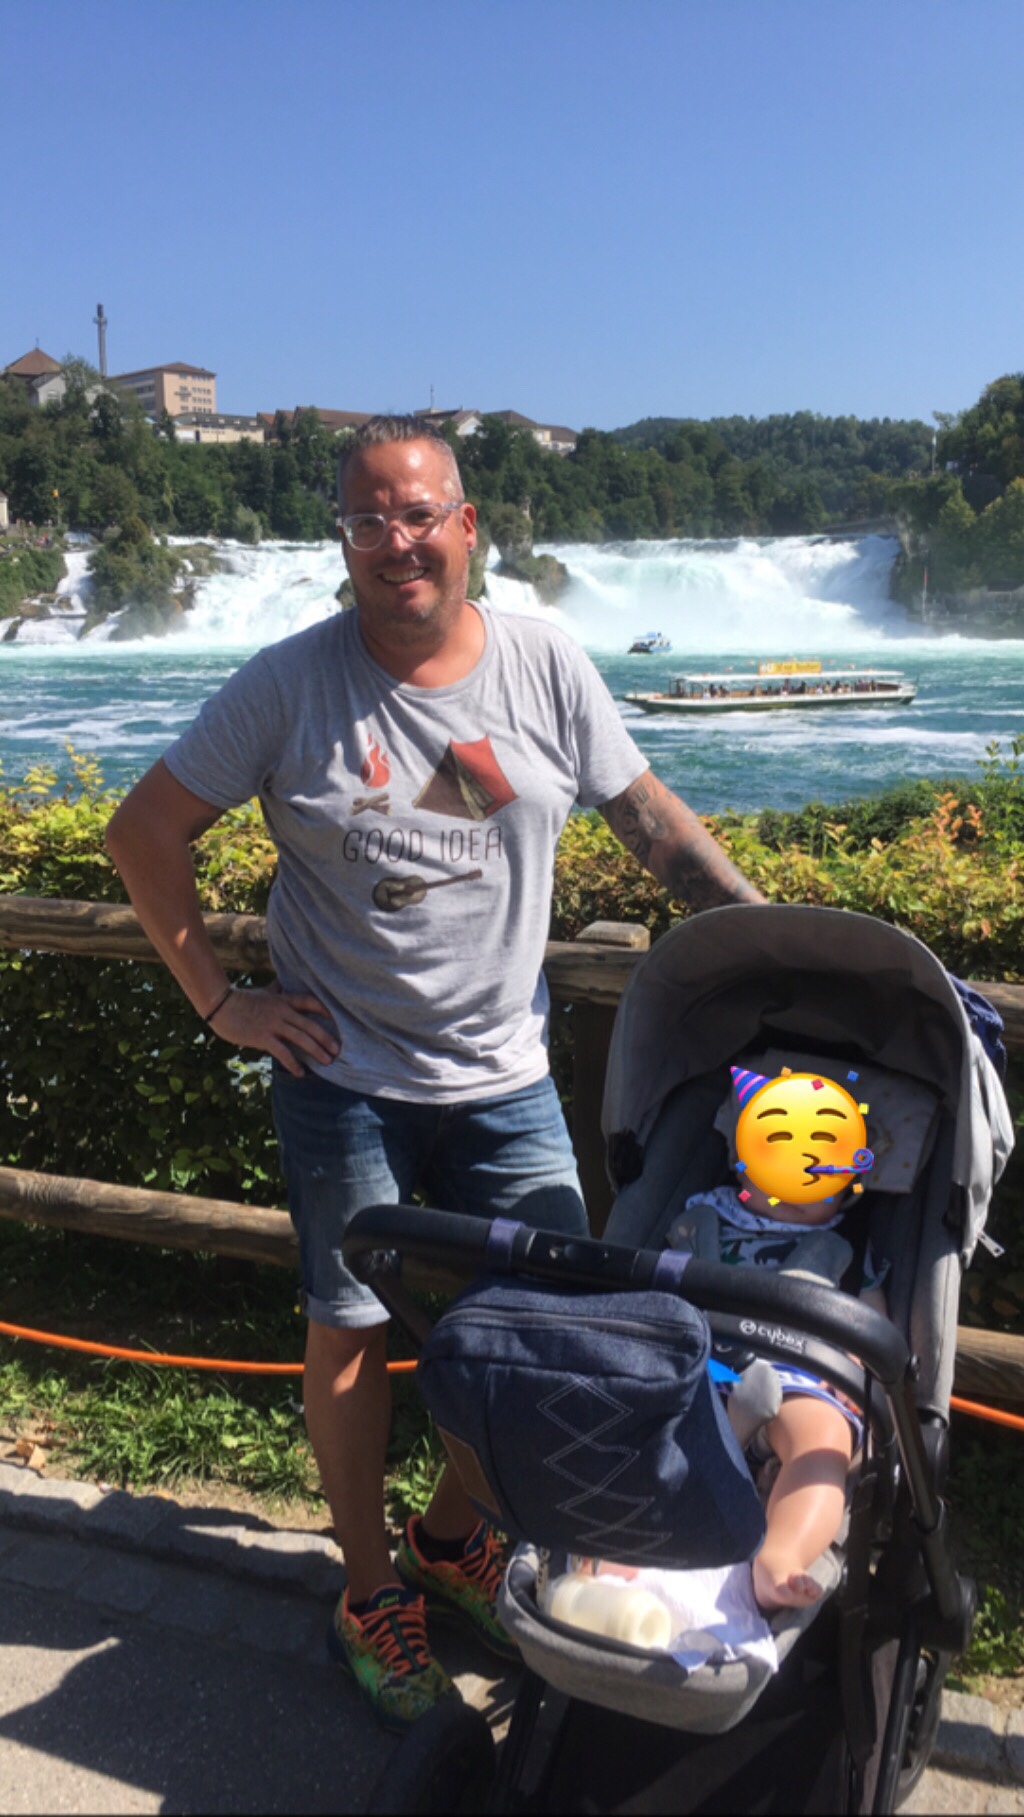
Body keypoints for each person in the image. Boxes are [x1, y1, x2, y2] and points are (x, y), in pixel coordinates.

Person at [105, 415, 763, 1730]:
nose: (394, 540)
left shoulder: (543, 661)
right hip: (341, 1073)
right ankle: (368, 1591)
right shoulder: (289, 684)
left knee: (551, 1332)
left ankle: (455, 1539)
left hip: (502, 1071)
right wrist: (224, 1002)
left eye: (418, 515)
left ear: (467, 526)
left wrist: (775, 941)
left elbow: (646, 820)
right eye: (367, 518)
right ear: (342, 539)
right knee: (350, 1328)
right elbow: (142, 833)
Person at [668, 1066, 885, 1612]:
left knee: (823, 1441)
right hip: (703, 1366)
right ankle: (620, 1545)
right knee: (640, 1409)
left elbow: (872, 1329)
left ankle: (781, 1555)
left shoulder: (847, 1248)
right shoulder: (701, 1220)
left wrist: (855, 1373)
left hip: (796, 1376)